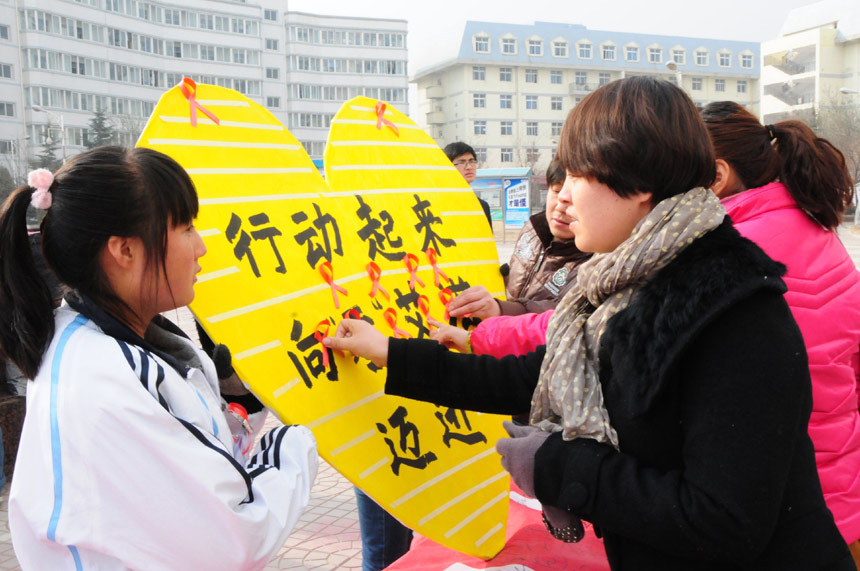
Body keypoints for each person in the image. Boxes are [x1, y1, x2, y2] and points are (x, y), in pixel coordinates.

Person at [324, 77, 854, 570]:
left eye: (580, 174)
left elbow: (724, 521)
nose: (564, 194)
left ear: (639, 185)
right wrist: (390, 353)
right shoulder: (627, 287)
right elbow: (530, 375)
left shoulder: (733, 312)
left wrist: (557, 464)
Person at [0, 146, 318, 569]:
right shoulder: (105, 376)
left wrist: (240, 398)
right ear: (124, 251)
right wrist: (297, 439)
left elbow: (200, 453)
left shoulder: (112, 341)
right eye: (186, 228)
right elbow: (234, 539)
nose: (201, 247)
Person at [702, 101, 860, 566]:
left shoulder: (727, 250)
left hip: (773, 507)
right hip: (844, 497)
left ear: (715, 176)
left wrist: (489, 338)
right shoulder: (821, 232)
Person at [431, 159, 589, 356]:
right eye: (556, 191)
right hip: (496, 342)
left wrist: (500, 309)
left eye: (575, 197)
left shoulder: (599, 260)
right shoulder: (533, 229)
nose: (562, 203)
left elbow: (559, 316)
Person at [443, 142, 493, 230]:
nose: (469, 167)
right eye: (462, 162)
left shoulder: (482, 206)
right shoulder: (439, 203)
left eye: (472, 161)